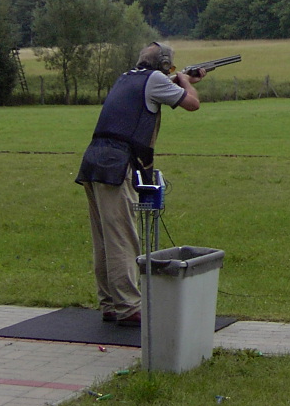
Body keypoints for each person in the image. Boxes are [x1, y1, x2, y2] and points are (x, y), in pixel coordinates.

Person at [75, 42, 203, 327]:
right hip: (117, 164)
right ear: (165, 64)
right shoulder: (156, 79)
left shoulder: (126, 77)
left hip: (94, 160)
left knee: (104, 240)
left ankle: (110, 303)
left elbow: (154, 89)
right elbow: (192, 104)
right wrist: (185, 82)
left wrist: (180, 79)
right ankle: (129, 307)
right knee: (122, 238)